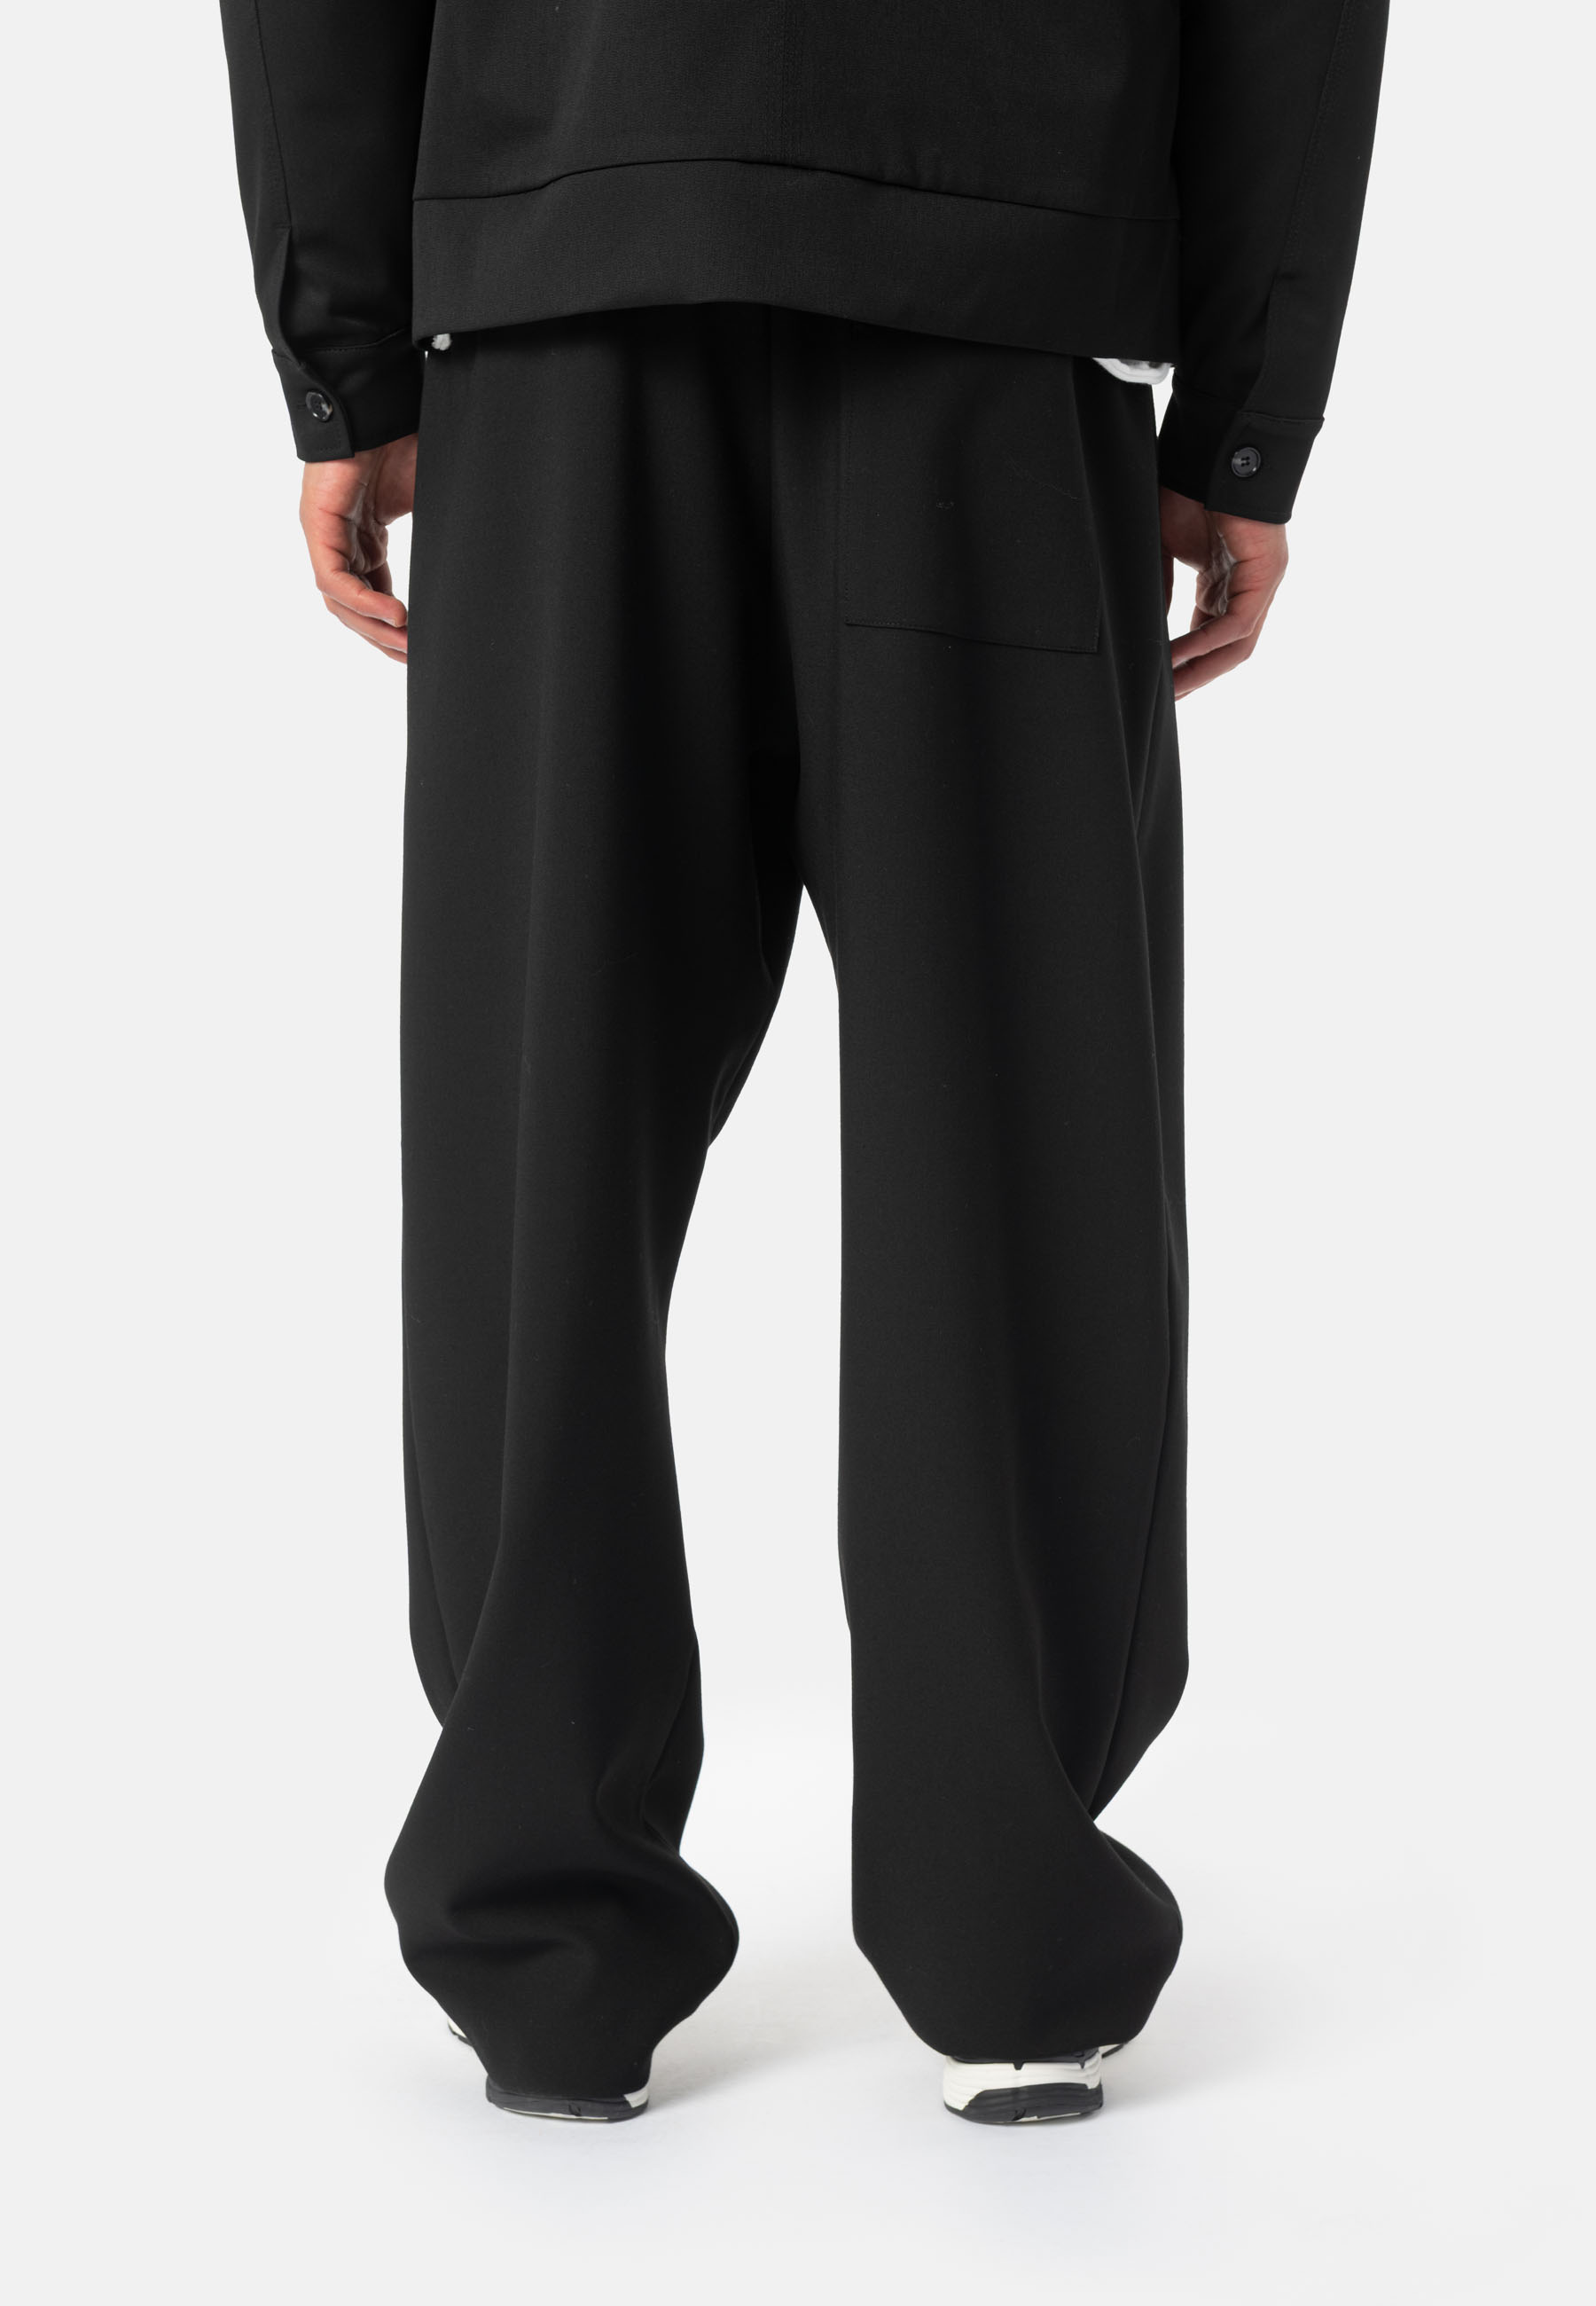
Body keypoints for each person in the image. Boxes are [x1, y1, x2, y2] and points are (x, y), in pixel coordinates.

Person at [219, 0, 1386, 2126]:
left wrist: (348, 351)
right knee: (1008, 1135)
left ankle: (545, 1944)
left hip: (569, 262)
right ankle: (1007, 1928)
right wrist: (1245, 407)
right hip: (993, 282)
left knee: (538, 1144)